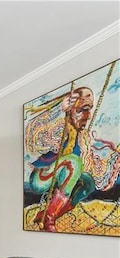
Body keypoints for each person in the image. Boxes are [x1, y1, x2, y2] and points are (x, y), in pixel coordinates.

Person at [28, 86, 118, 231]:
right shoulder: (59, 128)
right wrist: (58, 111)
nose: (88, 116)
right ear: (70, 109)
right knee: (74, 162)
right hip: (42, 178)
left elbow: (91, 168)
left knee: (88, 182)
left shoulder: (83, 139)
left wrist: (115, 159)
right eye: (82, 109)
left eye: (89, 110)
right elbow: (35, 137)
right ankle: (49, 220)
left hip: (65, 176)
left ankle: (47, 214)